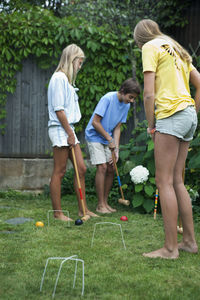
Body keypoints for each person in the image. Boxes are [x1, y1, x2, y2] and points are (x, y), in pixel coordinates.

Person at [133, 19, 200, 259]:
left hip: (170, 116)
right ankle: (190, 242)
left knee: (164, 182)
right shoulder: (176, 48)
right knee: (177, 181)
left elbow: (149, 93)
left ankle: (171, 249)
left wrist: (152, 125)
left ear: (139, 39)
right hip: (188, 115)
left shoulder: (150, 47)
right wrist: (192, 111)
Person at [48, 44, 98, 221]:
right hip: (60, 129)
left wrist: (70, 132)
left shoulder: (67, 81)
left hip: (69, 129)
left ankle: (82, 210)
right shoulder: (59, 78)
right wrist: (69, 133)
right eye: (79, 62)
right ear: (72, 60)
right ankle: (57, 213)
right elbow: (59, 110)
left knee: (81, 168)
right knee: (60, 171)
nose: (80, 66)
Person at [85, 78, 141, 213]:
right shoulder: (108, 99)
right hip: (94, 136)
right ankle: (100, 205)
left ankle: (105, 203)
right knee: (103, 167)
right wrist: (109, 139)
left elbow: (117, 127)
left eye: (134, 98)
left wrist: (116, 148)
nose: (132, 101)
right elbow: (95, 122)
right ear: (123, 91)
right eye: (130, 97)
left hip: (107, 138)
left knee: (111, 167)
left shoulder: (126, 105)